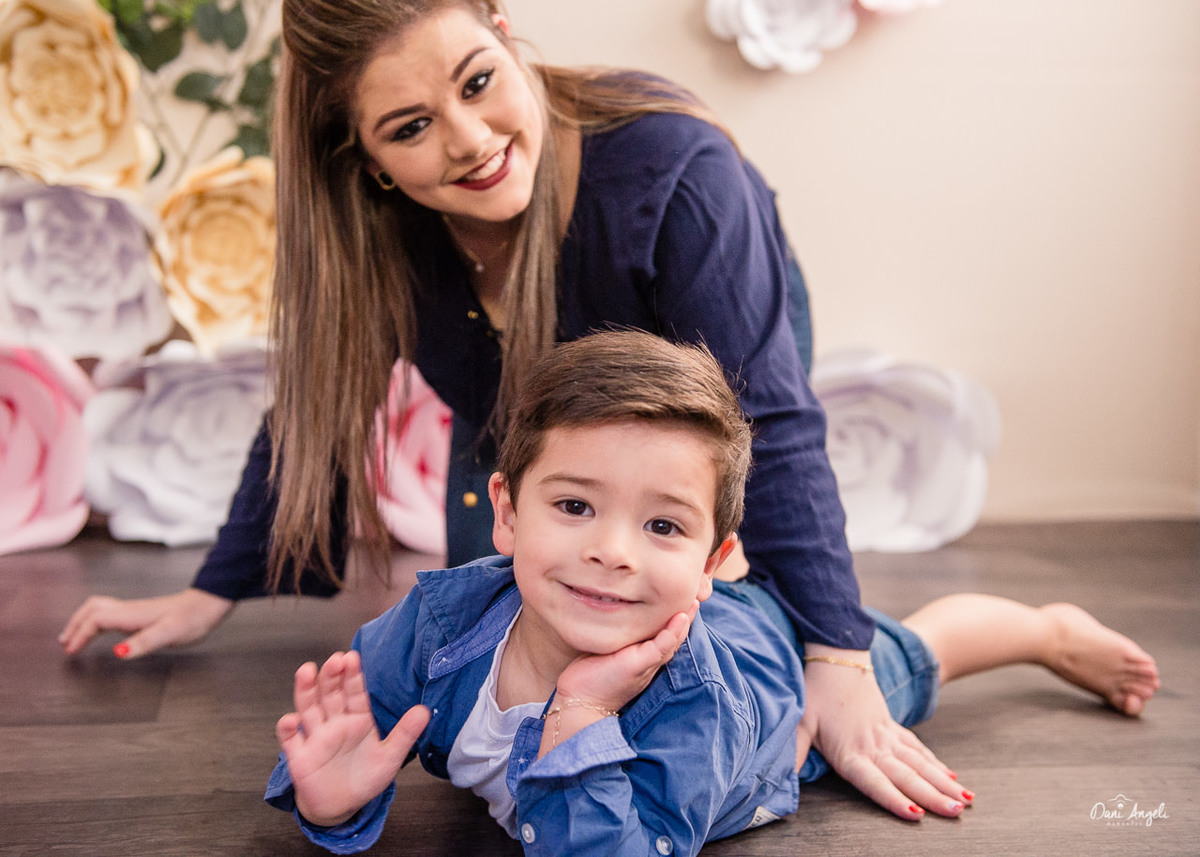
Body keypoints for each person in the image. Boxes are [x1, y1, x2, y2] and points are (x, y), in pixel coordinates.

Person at [53, 0, 1149, 820]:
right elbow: (316, 400)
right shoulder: (378, 237)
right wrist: (211, 588)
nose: (468, 139)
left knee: (732, 653)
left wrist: (840, 656)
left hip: (713, 392)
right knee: (514, 624)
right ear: (370, 162)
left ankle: (1027, 629)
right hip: (540, 422)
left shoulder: (677, 174)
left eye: (479, 81)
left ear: (503, 28)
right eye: (412, 126)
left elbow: (771, 421)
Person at [264, 331, 1160, 855]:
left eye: (662, 523)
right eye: (574, 505)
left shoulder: (703, 708)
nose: (611, 550)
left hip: (761, 660)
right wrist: (330, 804)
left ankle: (1045, 629)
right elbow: (342, 750)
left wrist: (580, 720)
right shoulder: (438, 623)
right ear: (505, 511)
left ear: (713, 555)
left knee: (917, 657)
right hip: (687, 606)